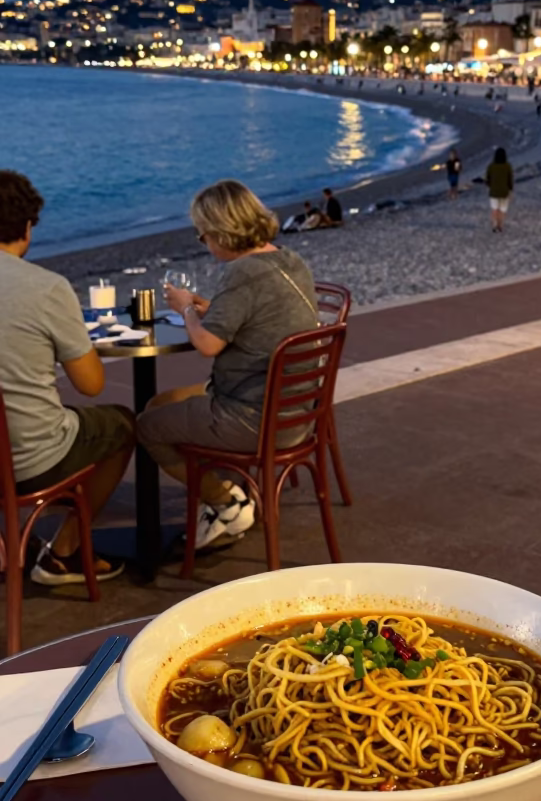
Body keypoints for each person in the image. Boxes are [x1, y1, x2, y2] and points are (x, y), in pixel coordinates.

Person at [137, 179, 319, 551]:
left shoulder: (242, 272)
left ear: (221, 231)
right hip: (297, 413)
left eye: (203, 235)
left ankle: (227, 504)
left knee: (146, 427)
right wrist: (213, 308)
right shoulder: (288, 259)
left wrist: (186, 309)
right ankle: (222, 491)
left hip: (253, 418)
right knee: (160, 404)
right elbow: (258, 314)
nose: (203, 242)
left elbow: (207, 344)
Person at [0, 171, 134, 586]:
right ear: (27, 227)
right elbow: (91, 384)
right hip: (30, 461)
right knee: (122, 424)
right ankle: (65, 551)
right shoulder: (45, 288)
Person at [485, 146, 514, 233]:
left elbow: (487, 179)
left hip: (494, 192)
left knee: (494, 209)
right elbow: (510, 179)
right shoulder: (507, 166)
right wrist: (510, 189)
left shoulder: (491, 166)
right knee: (502, 210)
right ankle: (500, 225)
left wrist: (490, 185)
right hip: (504, 192)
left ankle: (495, 225)